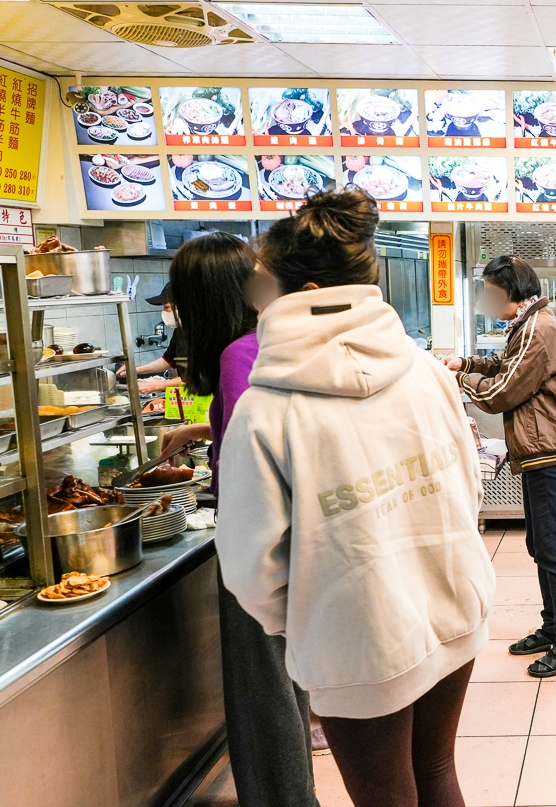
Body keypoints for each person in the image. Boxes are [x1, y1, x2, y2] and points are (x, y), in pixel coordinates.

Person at [216, 189, 495, 807]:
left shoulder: (268, 409)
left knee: (383, 795)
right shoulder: (427, 372)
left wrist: (308, 621)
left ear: (297, 290)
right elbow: (467, 488)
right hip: (453, 602)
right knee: (437, 770)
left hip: (353, 634)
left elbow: (250, 562)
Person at [154, 234, 320, 807]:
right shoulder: (264, 345)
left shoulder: (235, 356)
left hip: (257, 541)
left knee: (260, 690)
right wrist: (201, 433)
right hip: (302, 539)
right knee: (286, 681)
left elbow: (245, 467)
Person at [447, 255, 556, 678]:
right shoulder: (528, 324)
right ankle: (552, 627)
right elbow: (505, 367)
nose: (487, 300)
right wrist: (466, 364)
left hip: (549, 450)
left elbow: (503, 393)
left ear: (514, 294)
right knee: (540, 545)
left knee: (551, 547)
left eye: (492, 293)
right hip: (539, 448)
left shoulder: (537, 329)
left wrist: (456, 380)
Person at [118, 282, 187, 395]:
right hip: (190, 400)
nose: (164, 312)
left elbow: (202, 377)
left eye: (166, 307)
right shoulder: (180, 331)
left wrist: (156, 385)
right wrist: (135, 369)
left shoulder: (206, 333)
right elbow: (168, 360)